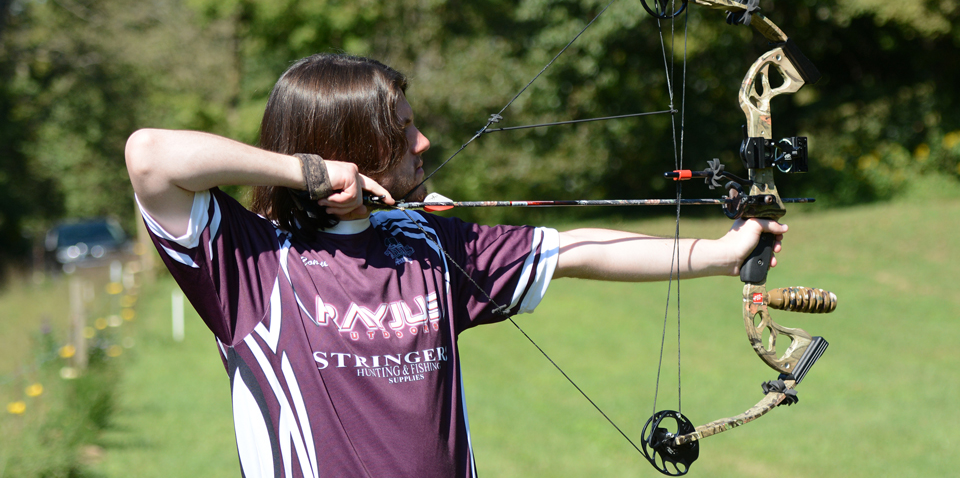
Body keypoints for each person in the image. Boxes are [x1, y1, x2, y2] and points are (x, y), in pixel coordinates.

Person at [125, 53, 786, 478]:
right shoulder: (250, 262)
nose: (423, 141)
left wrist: (724, 254)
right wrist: (308, 174)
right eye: (401, 130)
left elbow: (574, 250)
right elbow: (150, 156)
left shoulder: (427, 244)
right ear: (348, 147)